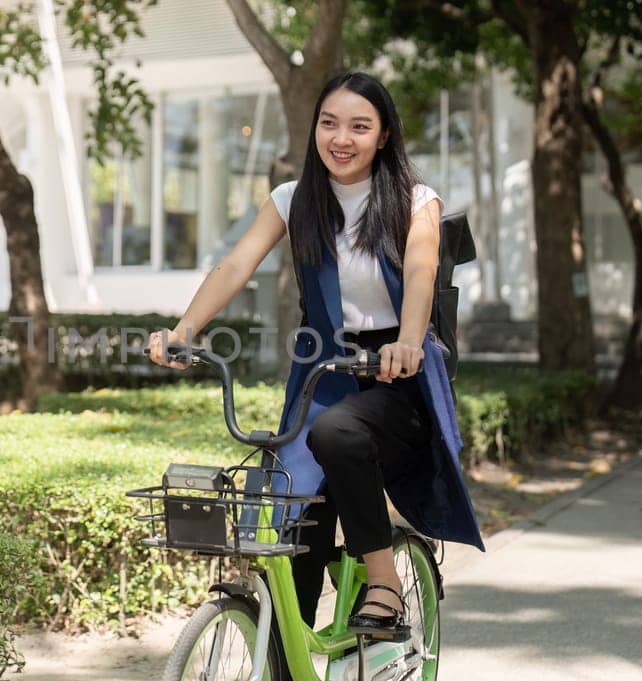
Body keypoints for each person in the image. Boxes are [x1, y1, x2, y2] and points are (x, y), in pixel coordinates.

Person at [148, 72, 484, 639]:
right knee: (292, 517)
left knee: (336, 436)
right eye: (330, 123)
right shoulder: (294, 199)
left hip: (395, 373)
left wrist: (407, 340)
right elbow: (235, 265)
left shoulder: (414, 201)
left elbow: (422, 270)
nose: (341, 138)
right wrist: (185, 327)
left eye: (359, 126)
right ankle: (285, 651)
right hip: (322, 371)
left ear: (383, 136)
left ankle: (384, 583)